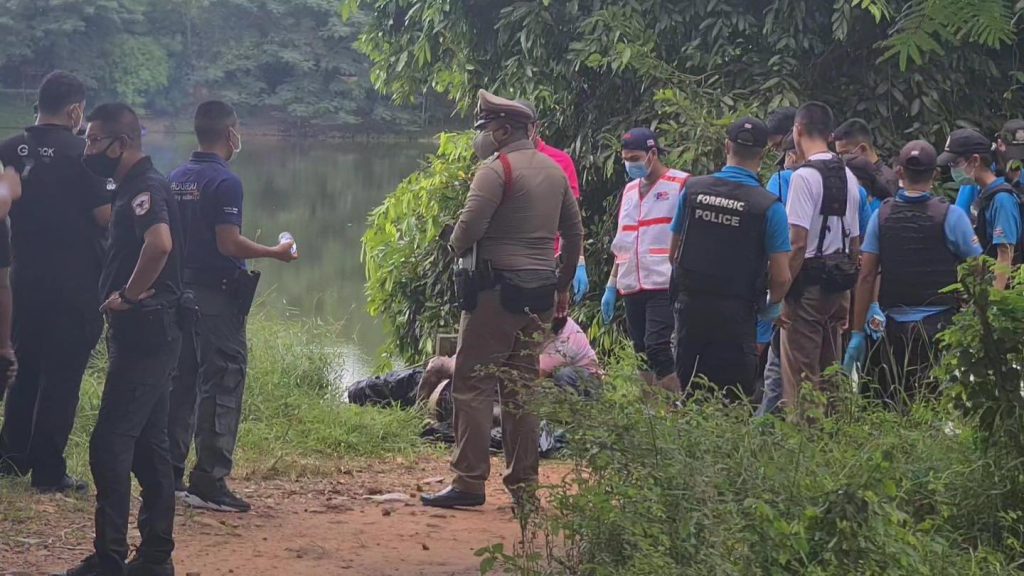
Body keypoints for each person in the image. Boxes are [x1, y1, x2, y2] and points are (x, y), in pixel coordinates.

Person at [421, 90, 582, 510]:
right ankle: (524, 488)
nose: (484, 137)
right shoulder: (555, 171)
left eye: (488, 129)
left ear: (504, 130)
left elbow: (469, 227)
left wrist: (453, 248)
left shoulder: (496, 170)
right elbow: (576, 234)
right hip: (540, 295)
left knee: (472, 385)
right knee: (521, 388)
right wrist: (563, 285)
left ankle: (469, 483)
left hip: (495, 294)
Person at [56, 103, 182, 576]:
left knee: (109, 444)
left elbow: (161, 244)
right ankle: (153, 557)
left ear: (121, 143)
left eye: (94, 140)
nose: (88, 148)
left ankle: (109, 559)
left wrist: (127, 295)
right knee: (151, 450)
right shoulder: (133, 186)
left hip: (148, 334)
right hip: (150, 333)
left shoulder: (145, 189)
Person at [166, 101, 297, 514]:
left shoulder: (175, 178)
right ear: (230, 134)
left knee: (180, 384)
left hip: (180, 294)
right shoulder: (225, 182)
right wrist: (275, 252)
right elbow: (229, 243)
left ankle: (167, 474)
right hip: (217, 298)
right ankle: (209, 480)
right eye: (237, 131)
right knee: (222, 382)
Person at [0, 71, 110, 494]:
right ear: (76, 111)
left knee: (23, 367)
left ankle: (12, 457)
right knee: (62, 378)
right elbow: (105, 217)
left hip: (21, 279)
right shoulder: (87, 154)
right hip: (75, 286)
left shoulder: (9, 148)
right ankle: (48, 471)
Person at [843, 140, 981, 407]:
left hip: (889, 331)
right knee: (934, 410)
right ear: (936, 174)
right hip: (939, 331)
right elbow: (978, 270)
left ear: (899, 172)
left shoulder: (881, 216)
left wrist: (858, 332)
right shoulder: (951, 216)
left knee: (886, 410)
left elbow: (867, 275)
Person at [668, 117, 792, 399]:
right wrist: (770, 310)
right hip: (737, 317)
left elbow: (673, 254)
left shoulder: (693, 190)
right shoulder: (768, 207)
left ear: (726, 146)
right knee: (733, 401)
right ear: (763, 154)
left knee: (691, 396)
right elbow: (782, 276)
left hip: (691, 312)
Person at [781, 102, 862, 411]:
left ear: (797, 130)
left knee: (801, 377)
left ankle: (804, 443)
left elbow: (797, 243)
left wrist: (780, 295)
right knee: (831, 374)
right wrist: (846, 296)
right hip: (838, 287)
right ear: (829, 135)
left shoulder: (803, 177)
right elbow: (855, 243)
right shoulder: (849, 177)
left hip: (808, 290)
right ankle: (836, 440)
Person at [602, 128, 689, 393]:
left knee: (658, 347)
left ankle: (676, 409)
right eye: (626, 159)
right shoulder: (629, 192)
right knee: (641, 352)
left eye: (636, 157)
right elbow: (623, 241)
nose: (631, 164)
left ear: (653, 154)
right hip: (631, 284)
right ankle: (650, 416)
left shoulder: (681, 184)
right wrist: (611, 285)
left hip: (664, 282)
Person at [518, 100, 588, 303]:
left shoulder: (559, 161)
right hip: (514, 263)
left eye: (524, 128)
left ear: (535, 127)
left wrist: (577, 262)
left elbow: (572, 220)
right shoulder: (502, 163)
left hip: (551, 262)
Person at [939, 128, 1022, 290]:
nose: (952, 169)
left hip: (1004, 290)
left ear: (975, 160)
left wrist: (994, 302)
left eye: (955, 163)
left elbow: (1005, 255)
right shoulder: (982, 193)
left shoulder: (1002, 199)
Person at [756, 134, 801, 416]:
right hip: (824, 289)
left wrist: (776, 296)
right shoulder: (842, 181)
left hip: (784, 284)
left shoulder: (781, 182)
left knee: (776, 362)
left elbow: (786, 244)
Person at [955, 119, 1024, 216]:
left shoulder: (1021, 172)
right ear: (1000, 144)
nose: (1018, 159)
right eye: (1014, 153)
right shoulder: (981, 171)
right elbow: (960, 215)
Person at [832, 118, 898, 210]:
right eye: (838, 155)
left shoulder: (889, 181)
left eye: (844, 154)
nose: (841, 159)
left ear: (863, 148)